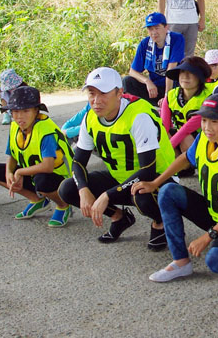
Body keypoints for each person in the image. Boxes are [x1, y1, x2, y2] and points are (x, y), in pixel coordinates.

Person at [134, 94, 218, 281]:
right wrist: (156, 182)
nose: (206, 127)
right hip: (215, 212)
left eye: (214, 121)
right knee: (167, 191)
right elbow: (185, 158)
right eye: (203, 120)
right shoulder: (206, 138)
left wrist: (207, 237)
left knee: (216, 262)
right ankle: (181, 262)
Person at [58, 67, 174, 250]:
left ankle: (160, 223)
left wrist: (107, 195)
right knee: (68, 188)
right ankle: (119, 217)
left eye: (103, 94)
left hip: (157, 180)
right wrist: (83, 190)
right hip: (121, 179)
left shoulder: (138, 116)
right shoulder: (90, 118)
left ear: (119, 93)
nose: (96, 101)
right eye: (91, 93)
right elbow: (78, 162)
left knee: (142, 196)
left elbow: (147, 170)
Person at [0, 85, 73, 227]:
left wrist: (19, 172)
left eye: (25, 111)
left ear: (36, 111)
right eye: (15, 111)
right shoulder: (15, 126)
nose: (19, 117)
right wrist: (10, 173)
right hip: (35, 173)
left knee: (42, 180)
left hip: (62, 179)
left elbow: (48, 166)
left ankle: (63, 205)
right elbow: (12, 154)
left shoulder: (45, 131)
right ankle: (37, 200)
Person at [124, 12, 183, 107]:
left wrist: (167, 97)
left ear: (166, 27)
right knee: (128, 81)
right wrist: (147, 81)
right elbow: (132, 71)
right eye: (150, 29)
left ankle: (165, 104)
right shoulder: (145, 43)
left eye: (157, 28)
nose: (154, 32)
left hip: (173, 87)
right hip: (154, 88)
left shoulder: (176, 39)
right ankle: (145, 107)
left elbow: (171, 70)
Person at [161, 56, 213, 153]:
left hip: (204, 138)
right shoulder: (170, 95)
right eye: (182, 72)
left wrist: (165, 149)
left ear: (200, 77)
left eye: (191, 72)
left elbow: (186, 129)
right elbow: (164, 126)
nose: (185, 76)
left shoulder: (209, 98)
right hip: (178, 134)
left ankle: (190, 166)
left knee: (186, 138)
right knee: (163, 134)